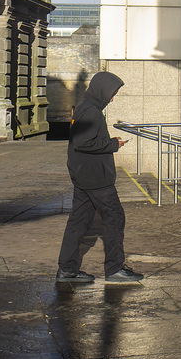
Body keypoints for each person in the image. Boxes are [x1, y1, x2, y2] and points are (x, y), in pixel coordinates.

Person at [56, 71, 144, 283]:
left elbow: (82, 141)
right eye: (112, 93)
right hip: (96, 178)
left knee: (79, 221)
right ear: (102, 90)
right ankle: (115, 269)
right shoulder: (92, 112)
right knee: (115, 218)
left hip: (84, 176)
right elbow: (83, 143)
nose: (112, 98)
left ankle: (67, 269)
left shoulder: (85, 107)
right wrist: (114, 144)